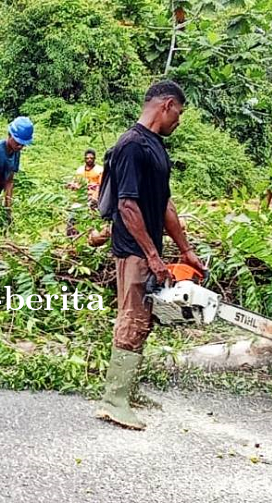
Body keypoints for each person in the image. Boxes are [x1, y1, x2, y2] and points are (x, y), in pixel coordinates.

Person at [95, 81, 206, 430]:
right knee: (132, 318)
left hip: (147, 249)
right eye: (180, 114)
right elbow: (127, 206)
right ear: (168, 105)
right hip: (133, 250)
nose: (179, 121)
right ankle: (114, 400)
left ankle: (125, 392)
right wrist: (152, 256)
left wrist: (185, 251)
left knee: (143, 319)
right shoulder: (131, 146)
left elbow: (165, 205)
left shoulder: (156, 148)